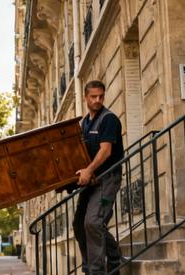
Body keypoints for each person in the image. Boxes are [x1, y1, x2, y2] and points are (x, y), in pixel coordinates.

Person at [73, 80, 125, 275]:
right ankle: (112, 259)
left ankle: (97, 271)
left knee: (93, 222)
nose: (97, 100)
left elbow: (106, 151)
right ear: (85, 97)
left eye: (101, 96)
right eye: (93, 96)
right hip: (92, 180)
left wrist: (88, 170)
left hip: (108, 178)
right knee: (80, 224)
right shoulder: (85, 122)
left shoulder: (108, 119)